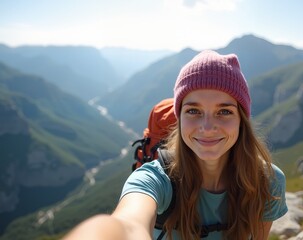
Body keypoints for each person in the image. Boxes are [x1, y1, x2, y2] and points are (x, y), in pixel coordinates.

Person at [64, 50, 288, 240]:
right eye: (193, 111)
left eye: (224, 111)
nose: (207, 127)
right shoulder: (154, 180)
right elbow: (129, 225)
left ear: (242, 120)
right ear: (179, 118)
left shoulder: (268, 181)